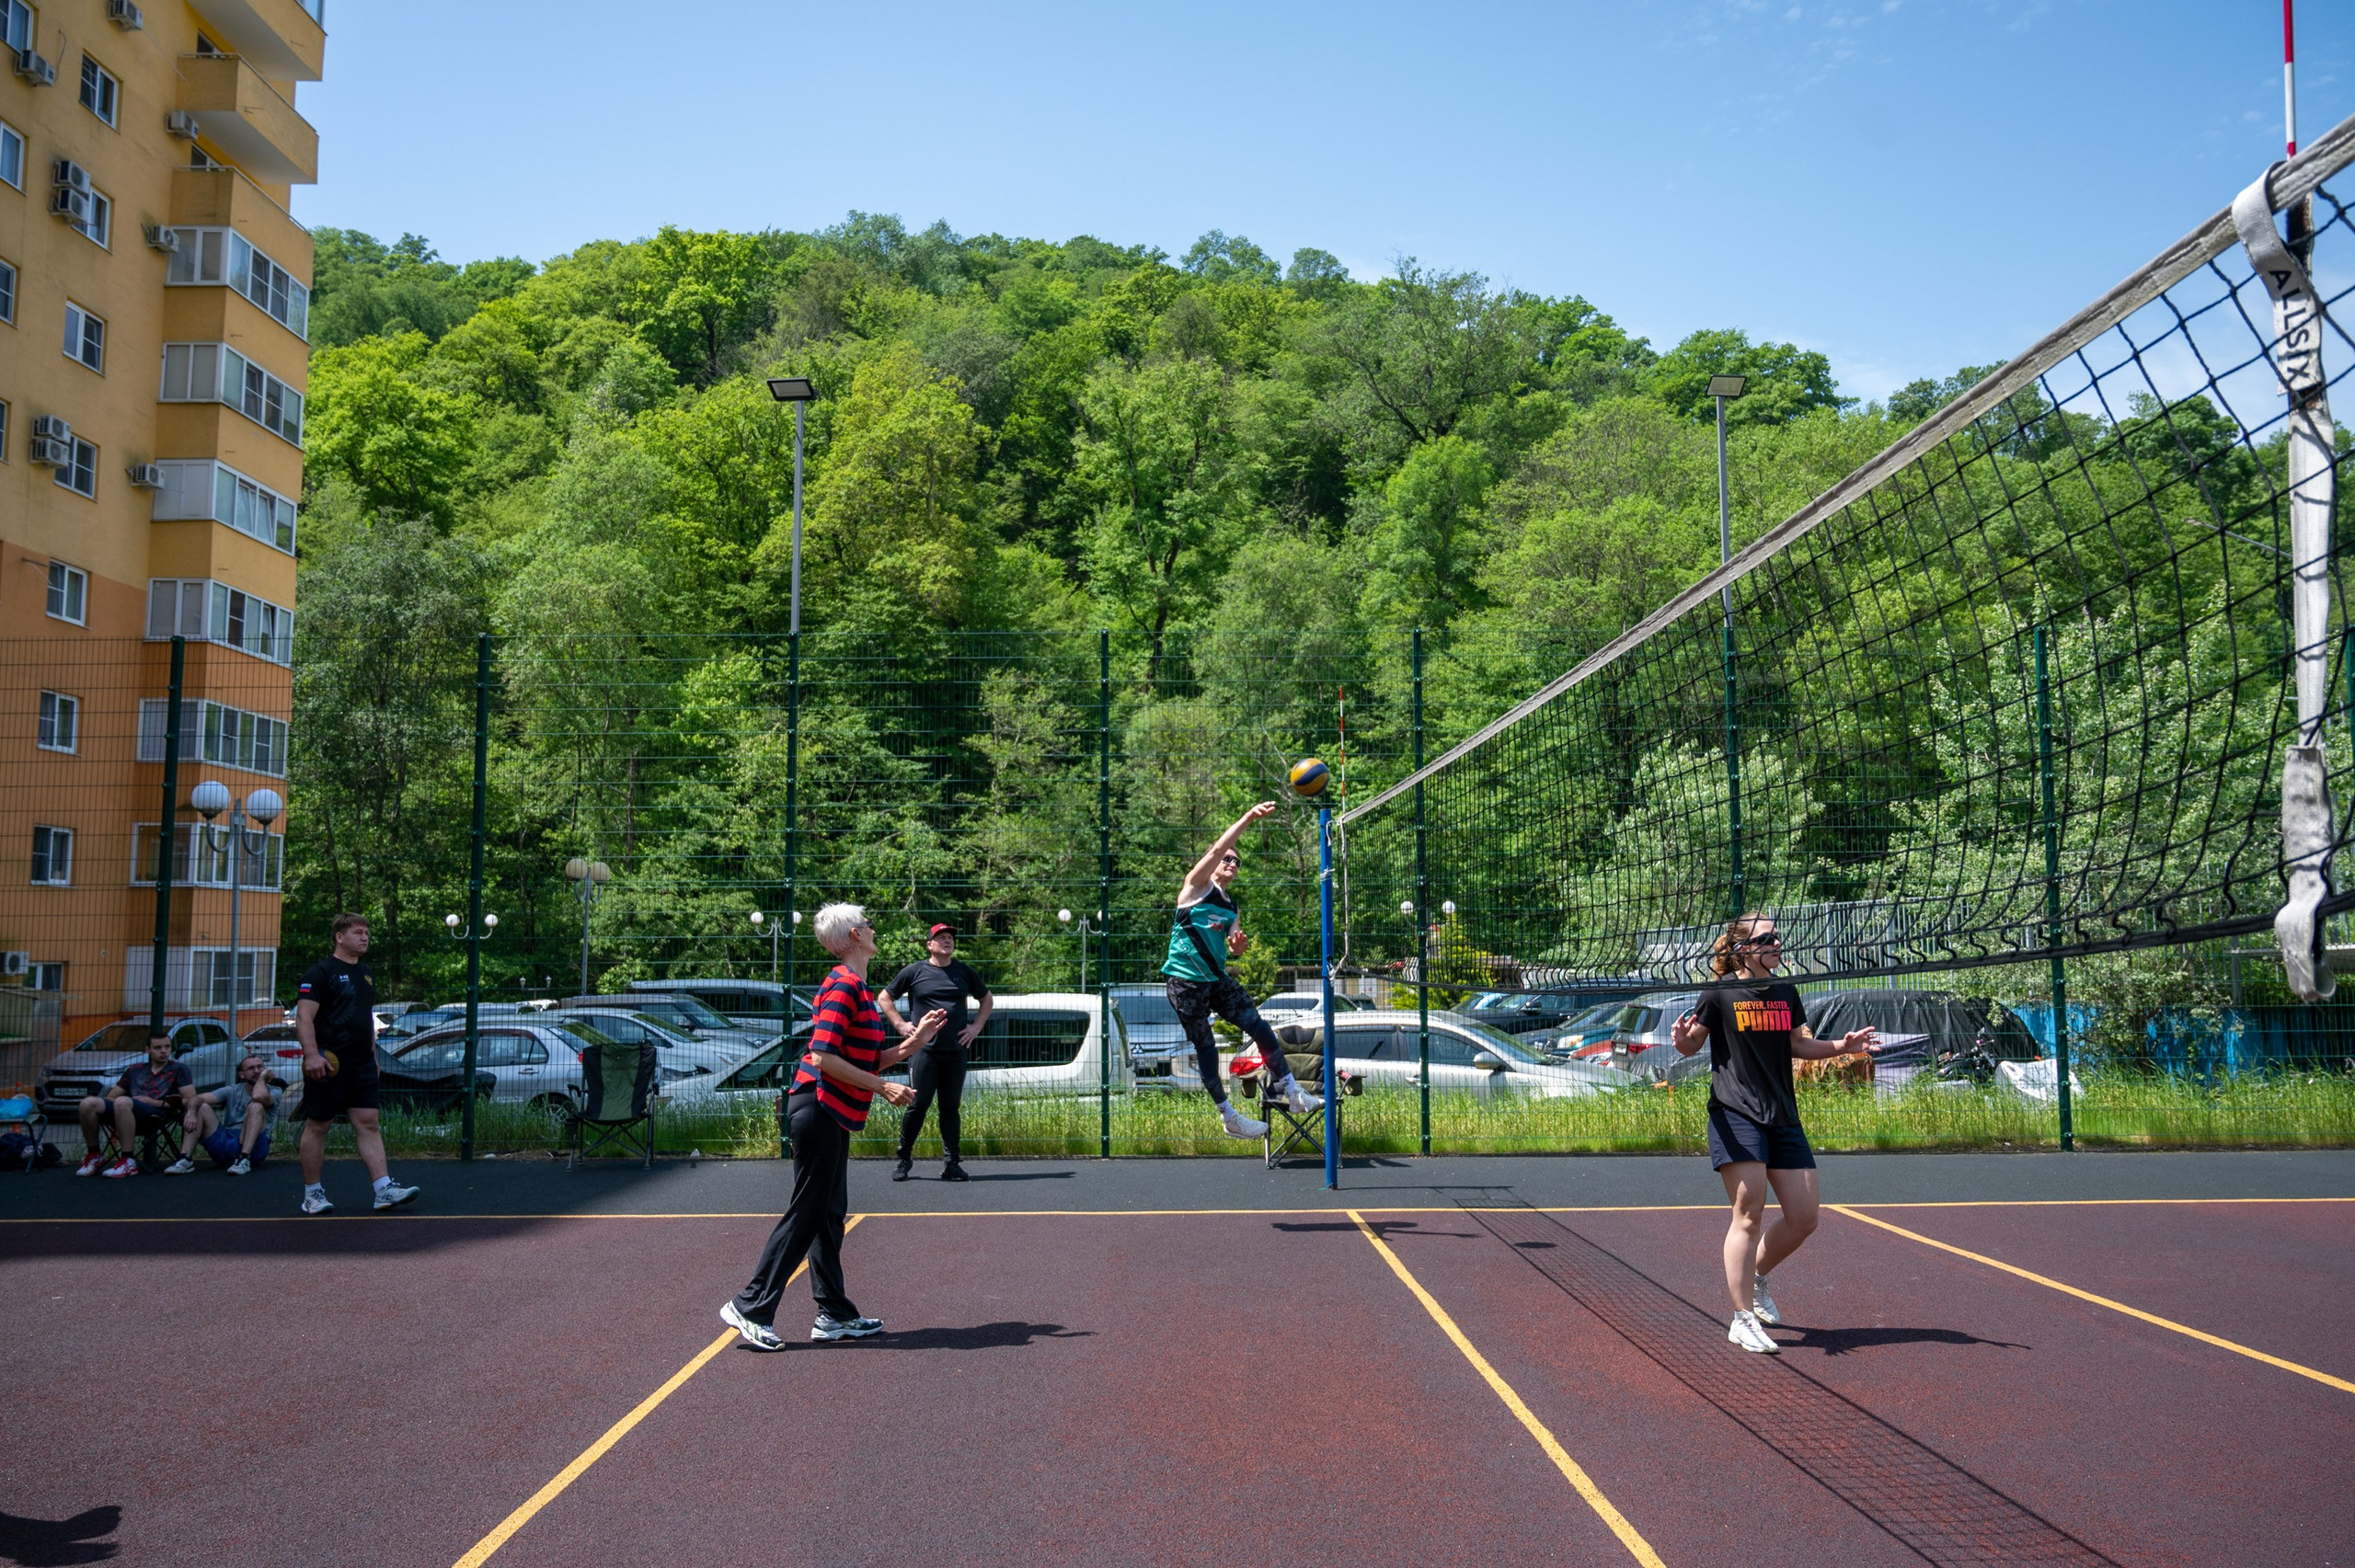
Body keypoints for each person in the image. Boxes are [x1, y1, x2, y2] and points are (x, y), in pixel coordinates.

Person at [721, 902, 945, 1350]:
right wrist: (883, 1089)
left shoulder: (859, 989)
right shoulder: (843, 984)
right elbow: (822, 1058)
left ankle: (833, 1315)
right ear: (855, 936)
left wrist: (913, 1043)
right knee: (808, 1211)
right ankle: (749, 1306)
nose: (873, 926)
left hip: (831, 1111)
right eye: (867, 923)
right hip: (816, 1106)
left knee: (829, 1214)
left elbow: (862, 1059)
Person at [1671, 912, 1880, 1355]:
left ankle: (1757, 1278)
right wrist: (1682, 1039)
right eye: (1768, 938)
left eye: (1778, 936)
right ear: (1744, 948)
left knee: (1805, 1218)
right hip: (1735, 1112)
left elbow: (1799, 1046)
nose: (1778, 943)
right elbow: (1692, 1045)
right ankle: (1742, 1317)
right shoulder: (1720, 993)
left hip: (1782, 1114)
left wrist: (1844, 1046)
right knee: (1748, 1213)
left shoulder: (1785, 992)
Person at [1163, 801, 1323, 1140]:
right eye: (1228, 859)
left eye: (1238, 861)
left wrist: (1238, 947)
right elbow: (1220, 846)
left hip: (1215, 980)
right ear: (1213, 861)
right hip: (1185, 983)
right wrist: (1249, 817)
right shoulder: (1195, 886)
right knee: (1206, 1047)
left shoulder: (1231, 906)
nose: (1233, 863)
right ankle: (1229, 1116)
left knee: (1259, 1026)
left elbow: (1235, 944)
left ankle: (1291, 1091)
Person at [293, 914, 418, 1215]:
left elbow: (365, 1019)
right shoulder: (320, 972)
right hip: (327, 1063)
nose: (365, 937)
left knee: (369, 1123)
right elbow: (303, 1017)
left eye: (367, 933)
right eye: (358, 932)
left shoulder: (366, 974)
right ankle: (312, 1195)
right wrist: (311, 1055)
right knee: (319, 1124)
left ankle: (383, 1190)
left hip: (361, 1064)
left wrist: (373, 1056)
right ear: (339, 936)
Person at [877, 921, 992, 1183]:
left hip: (955, 1052)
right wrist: (901, 1025)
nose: (947, 940)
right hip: (924, 1052)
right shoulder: (915, 971)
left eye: (950, 937)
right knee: (917, 1105)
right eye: (941, 937)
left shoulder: (964, 971)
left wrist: (975, 1028)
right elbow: (884, 997)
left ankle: (952, 1164)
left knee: (950, 1108)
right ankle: (904, 1159)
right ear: (930, 944)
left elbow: (987, 999)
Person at [75, 1034, 195, 1178]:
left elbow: (189, 1099)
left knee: (123, 1101)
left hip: (156, 1114)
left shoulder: (179, 1069)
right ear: (148, 1050)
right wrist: (122, 1105)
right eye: (158, 1048)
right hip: (126, 1110)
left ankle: (128, 1160)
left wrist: (152, 1102)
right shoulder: (135, 1070)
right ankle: (94, 1155)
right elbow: (112, 1096)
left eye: (167, 1047)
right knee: (87, 1103)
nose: (163, 1051)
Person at [166, 1052, 278, 1175]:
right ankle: (185, 1159)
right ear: (242, 1074)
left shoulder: (274, 1091)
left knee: (256, 1106)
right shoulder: (232, 1090)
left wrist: (263, 1077)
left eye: (260, 1067)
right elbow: (197, 1098)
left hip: (255, 1148)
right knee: (201, 1106)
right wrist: (191, 1113)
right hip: (226, 1143)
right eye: (251, 1068)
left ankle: (244, 1159)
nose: (257, 1071)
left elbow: (258, 1096)